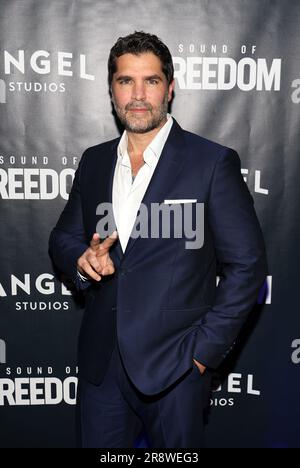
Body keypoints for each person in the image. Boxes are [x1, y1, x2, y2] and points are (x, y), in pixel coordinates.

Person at [49, 31, 268, 448]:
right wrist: (82, 258)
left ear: (169, 88)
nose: (137, 94)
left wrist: (202, 354)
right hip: (102, 368)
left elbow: (248, 265)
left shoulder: (211, 162)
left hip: (177, 369)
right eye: (125, 81)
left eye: (150, 81)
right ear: (111, 89)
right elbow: (63, 236)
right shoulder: (95, 161)